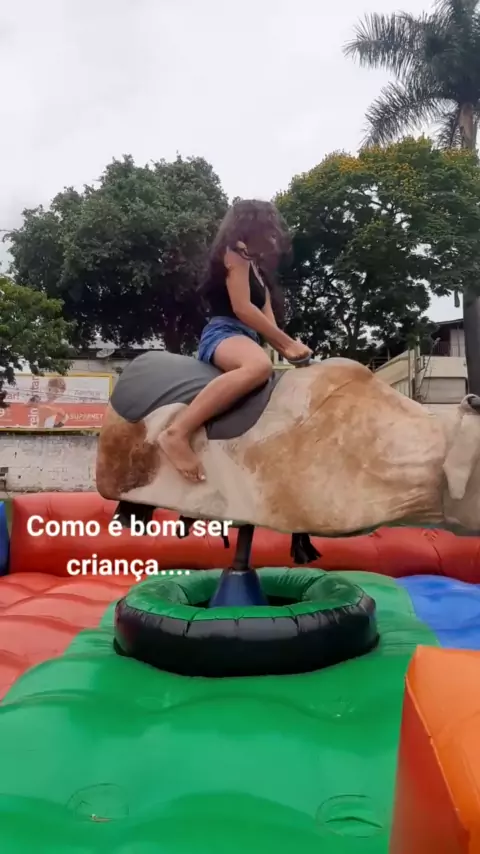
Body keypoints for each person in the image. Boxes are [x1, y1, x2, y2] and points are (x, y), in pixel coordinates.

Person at [158, 199, 312, 482]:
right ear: (251, 226)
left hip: (249, 339)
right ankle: (176, 432)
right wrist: (289, 345)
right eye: (269, 229)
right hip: (224, 333)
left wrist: (293, 352)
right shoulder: (234, 253)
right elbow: (242, 308)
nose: (274, 237)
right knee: (259, 367)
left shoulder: (260, 274)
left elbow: (269, 326)